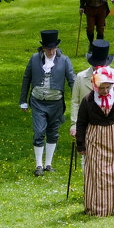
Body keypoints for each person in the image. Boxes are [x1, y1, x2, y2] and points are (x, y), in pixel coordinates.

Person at [75, 66, 114, 217]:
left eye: (108, 87)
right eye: (102, 88)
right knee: (97, 173)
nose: (106, 91)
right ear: (95, 85)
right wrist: (80, 144)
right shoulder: (88, 100)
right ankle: (97, 207)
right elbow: (81, 123)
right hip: (96, 140)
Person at [19, 29, 75, 176]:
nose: (51, 51)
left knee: (53, 132)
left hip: (56, 103)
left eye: (53, 48)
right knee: (38, 132)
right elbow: (26, 79)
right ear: (43, 48)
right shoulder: (34, 59)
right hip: (38, 102)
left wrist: (79, 99)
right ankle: (38, 165)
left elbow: (72, 81)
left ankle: (48, 164)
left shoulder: (64, 60)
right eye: (48, 48)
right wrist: (23, 101)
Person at [70, 39, 114, 135]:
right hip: (88, 124)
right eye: (96, 65)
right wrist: (74, 124)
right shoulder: (81, 77)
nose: (98, 68)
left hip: (111, 124)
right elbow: (75, 102)